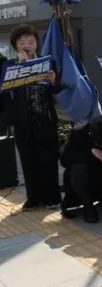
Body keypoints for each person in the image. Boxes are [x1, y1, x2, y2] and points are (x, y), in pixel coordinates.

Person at [0, 24, 62, 212]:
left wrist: (53, 82)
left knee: (49, 160)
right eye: (21, 42)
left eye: (30, 41)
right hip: (22, 122)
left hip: (45, 118)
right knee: (28, 160)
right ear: (15, 45)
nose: (26, 45)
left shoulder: (47, 63)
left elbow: (56, 90)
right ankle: (33, 198)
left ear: (36, 44)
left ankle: (52, 198)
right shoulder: (9, 66)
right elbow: (5, 94)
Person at [60, 117, 102, 223]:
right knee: (77, 169)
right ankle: (88, 205)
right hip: (88, 173)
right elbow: (64, 160)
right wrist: (91, 152)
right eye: (100, 144)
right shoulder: (79, 133)